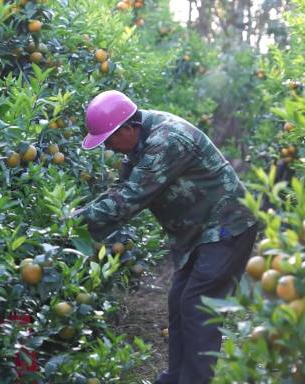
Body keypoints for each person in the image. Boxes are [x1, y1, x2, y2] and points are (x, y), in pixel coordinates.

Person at [72, 90, 258, 384]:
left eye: (109, 139)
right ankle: (176, 376)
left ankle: (195, 380)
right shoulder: (137, 144)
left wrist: (73, 225)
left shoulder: (166, 141)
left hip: (227, 226)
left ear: (128, 128)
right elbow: (120, 190)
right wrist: (81, 216)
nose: (108, 146)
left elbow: (131, 198)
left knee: (198, 307)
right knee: (179, 302)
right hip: (198, 232)